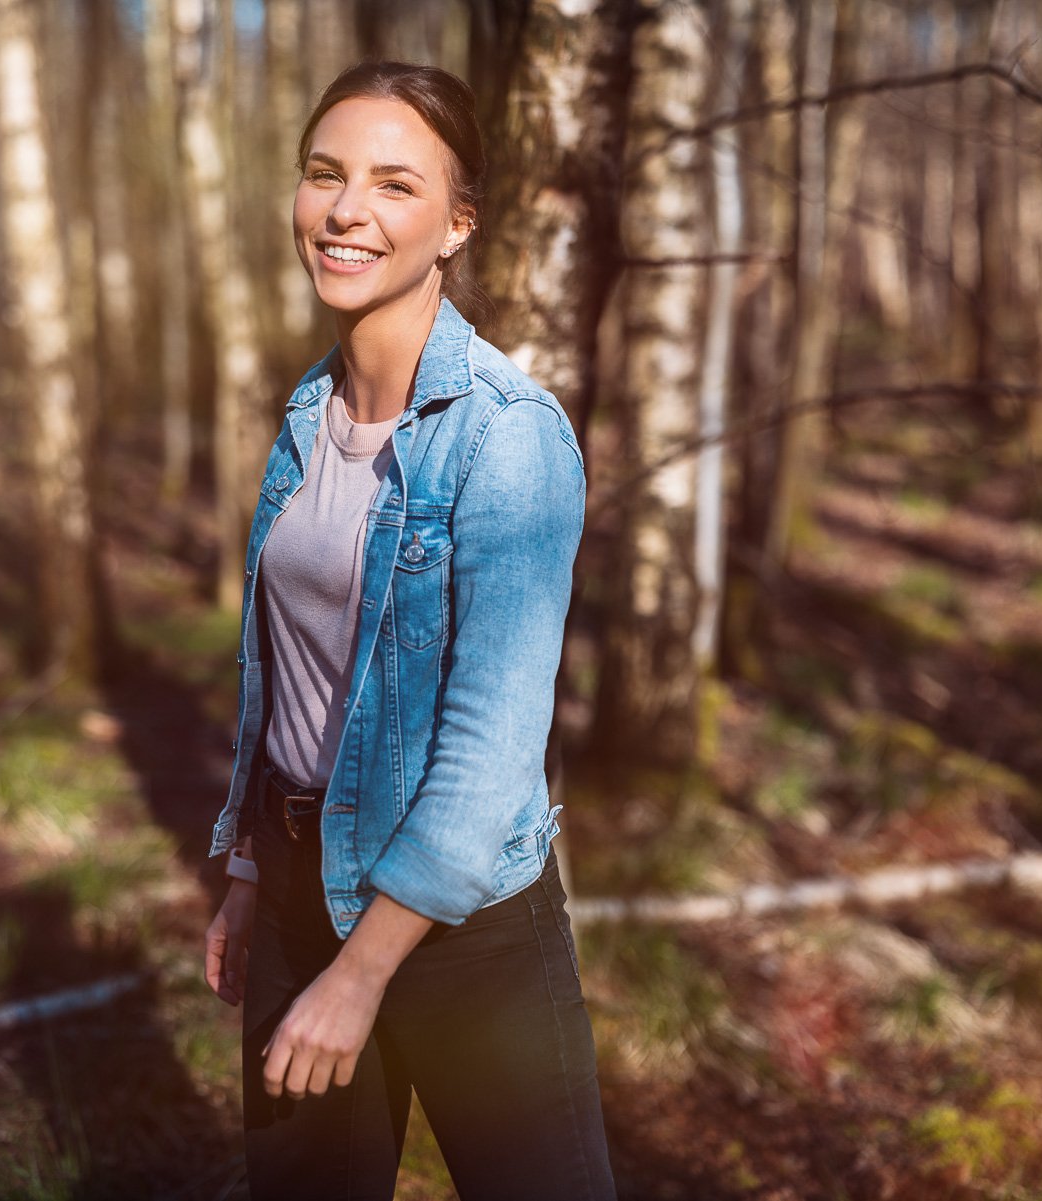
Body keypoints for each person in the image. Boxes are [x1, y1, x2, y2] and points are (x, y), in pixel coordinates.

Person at [201, 60, 618, 1201]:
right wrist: (249, 867)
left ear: (455, 225)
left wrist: (361, 972)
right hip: (293, 883)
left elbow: (493, 748)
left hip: (463, 928)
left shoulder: (508, 438)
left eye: (394, 184)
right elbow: (279, 674)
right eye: (325, 175)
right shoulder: (305, 413)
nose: (346, 211)